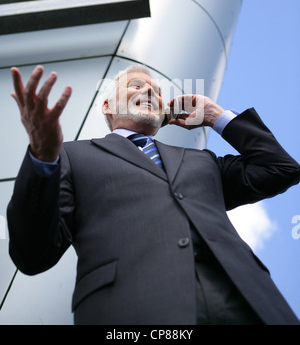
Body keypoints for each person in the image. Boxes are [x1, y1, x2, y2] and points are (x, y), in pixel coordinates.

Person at [7, 63, 300, 325]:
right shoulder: (71, 156)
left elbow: (280, 169)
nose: (149, 89)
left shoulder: (202, 160)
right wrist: (43, 157)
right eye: (136, 85)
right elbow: (33, 255)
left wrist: (215, 116)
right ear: (107, 105)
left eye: (157, 90)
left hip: (248, 304)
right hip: (134, 310)